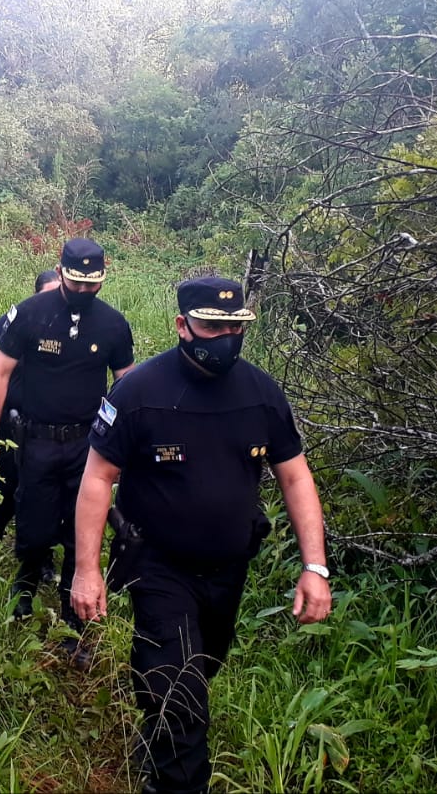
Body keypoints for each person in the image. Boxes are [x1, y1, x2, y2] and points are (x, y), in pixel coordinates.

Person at [71, 276, 334, 794]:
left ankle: (160, 737)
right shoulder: (140, 392)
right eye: (213, 326)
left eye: (235, 327)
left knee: (203, 665)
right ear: (182, 326)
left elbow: (296, 476)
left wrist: (315, 566)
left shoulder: (260, 393)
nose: (225, 339)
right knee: (178, 689)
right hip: (158, 565)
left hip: (228, 568)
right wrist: (87, 568)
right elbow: (97, 478)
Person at [0, 238, 135, 656]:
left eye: (93, 284)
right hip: (37, 438)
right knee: (33, 518)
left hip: (88, 445)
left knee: (80, 528)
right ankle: (24, 589)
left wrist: (128, 448)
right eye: (77, 281)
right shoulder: (31, 314)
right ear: (61, 271)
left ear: (104, 277)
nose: (84, 291)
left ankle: (72, 618)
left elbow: (127, 385)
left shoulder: (113, 325)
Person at [0, 269, 62, 555]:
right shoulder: (16, 320)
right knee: (4, 476)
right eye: (48, 295)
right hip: (10, 417)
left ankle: (41, 553)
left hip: (52, 425)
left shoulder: (75, 326)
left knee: (46, 491)